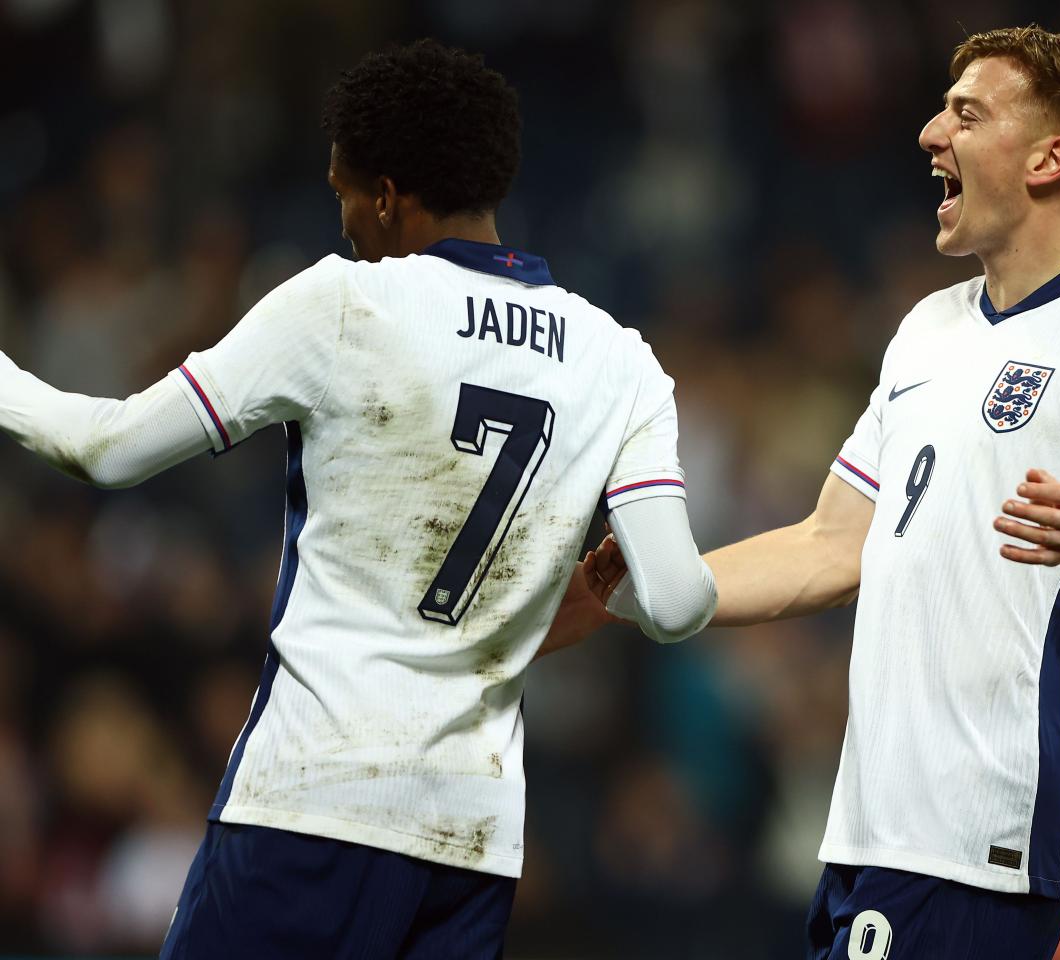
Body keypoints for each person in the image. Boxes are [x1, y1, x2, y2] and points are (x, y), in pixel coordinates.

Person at [0, 39, 715, 960]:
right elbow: (679, 598)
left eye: (344, 193)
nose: (342, 222)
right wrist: (599, 587)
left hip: (311, 803)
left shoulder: (343, 305)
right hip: (471, 840)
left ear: (385, 194)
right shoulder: (621, 360)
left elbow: (103, 449)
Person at [594, 24, 1060, 960]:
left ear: (1052, 158)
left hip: (978, 841)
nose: (931, 133)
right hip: (871, 834)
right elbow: (830, 543)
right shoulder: (929, 329)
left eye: (967, 115)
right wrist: (642, 591)